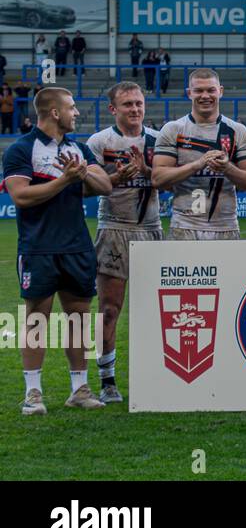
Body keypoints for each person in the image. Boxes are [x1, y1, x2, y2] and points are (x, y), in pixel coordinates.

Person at [3, 87, 113, 414]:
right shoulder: (21, 149)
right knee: (37, 319)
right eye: (72, 107)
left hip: (77, 245)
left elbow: (105, 186)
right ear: (54, 112)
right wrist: (66, 180)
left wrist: (83, 176)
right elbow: (21, 196)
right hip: (38, 246)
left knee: (78, 318)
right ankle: (33, 393)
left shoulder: (78, 149)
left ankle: (79, 388)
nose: (76, 113)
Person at [85, 81, 161, 403]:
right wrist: (116, 179)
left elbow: (174, 183)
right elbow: (84, 188)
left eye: (139, 103)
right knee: (109, 309)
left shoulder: (159, 139)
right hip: (114, 228)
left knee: (157, 311)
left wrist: (147, 171)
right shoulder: (99, 142)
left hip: (151, 229)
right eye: (128, 104)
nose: (135, 109)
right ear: (113, 109)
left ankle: (156, 376)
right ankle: (108, 381)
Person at [151, 69, 246, 241]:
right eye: (199, 91)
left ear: (220, 91)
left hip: (226, 227)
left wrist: (227, 168)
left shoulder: (238, 131)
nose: (205, 96)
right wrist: (196, 165)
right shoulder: (173, 129)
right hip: (184, 227)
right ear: (189, 93)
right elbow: (157, 179)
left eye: (211, 90)